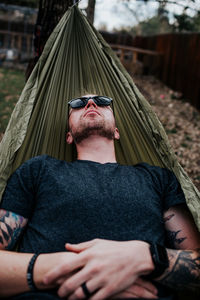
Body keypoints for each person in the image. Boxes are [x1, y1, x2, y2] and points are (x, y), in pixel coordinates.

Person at [0, 95, 200, 300]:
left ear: (116, 132)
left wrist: (146, 257)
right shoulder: (39, 170)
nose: (91, 103)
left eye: (103, 101)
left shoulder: (157, 178)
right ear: (69, 135)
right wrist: (69, 269)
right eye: (77, 104)